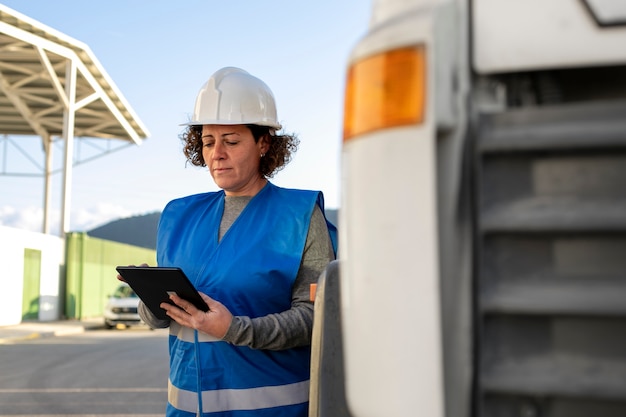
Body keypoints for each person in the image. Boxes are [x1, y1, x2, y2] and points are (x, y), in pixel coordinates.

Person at [135, 67, 337, 417]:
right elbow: (162, 319)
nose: (217, 154)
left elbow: (316, 318)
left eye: (231, 141)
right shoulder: (177, 216)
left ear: (264, 142)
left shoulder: (299, 215)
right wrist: (150, 298)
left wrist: (234, 329)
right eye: (208, 142)